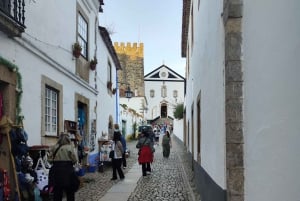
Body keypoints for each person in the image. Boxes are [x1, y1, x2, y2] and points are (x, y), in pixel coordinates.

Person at [49, 133, 78, 201]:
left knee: (57, 192)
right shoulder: (70, 147)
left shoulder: (54, 147)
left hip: (56, 171)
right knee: (70, 192)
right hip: (68, 171)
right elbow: (74, 160)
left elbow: (49, 160)